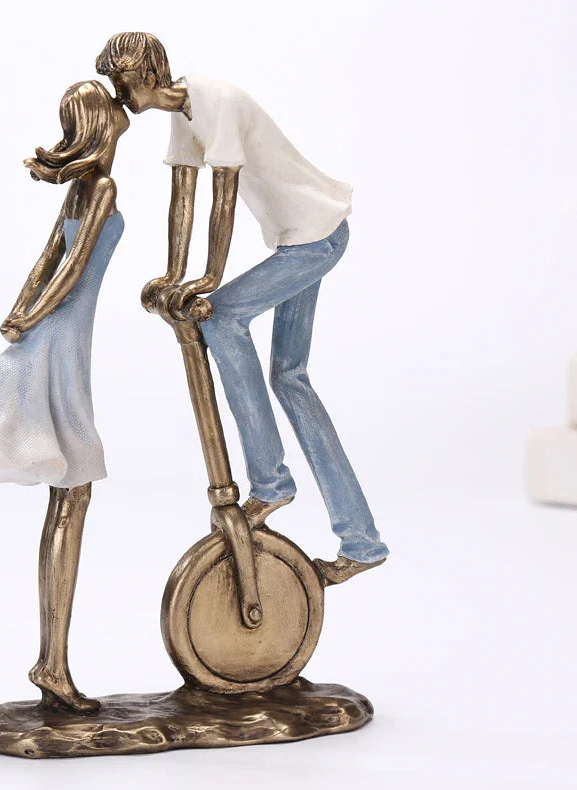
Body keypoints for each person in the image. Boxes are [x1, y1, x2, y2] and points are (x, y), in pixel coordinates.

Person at [96, 33, 388, 583]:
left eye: (124, 82)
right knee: (291, 379)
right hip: (299, 237)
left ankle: (271, 483)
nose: (120, 93)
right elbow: (184, 195)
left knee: (225, 316)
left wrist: (208, 279)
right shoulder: (183, 113)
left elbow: (222, 199)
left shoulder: (219, 102)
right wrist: (173, 275)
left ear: (150, 76)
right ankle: (363, 542)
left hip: (315, 238)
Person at [0, 80, 129, 711]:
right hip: (60, 345)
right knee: (74, 490)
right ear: (103, 127)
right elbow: (66, 267)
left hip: (55, 334)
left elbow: (46, 262)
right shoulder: (101, 187)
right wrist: (30, 315)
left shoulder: (79, 188)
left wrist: (21, 312)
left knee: (69, 492)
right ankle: (52, 665)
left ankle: (52, 663)